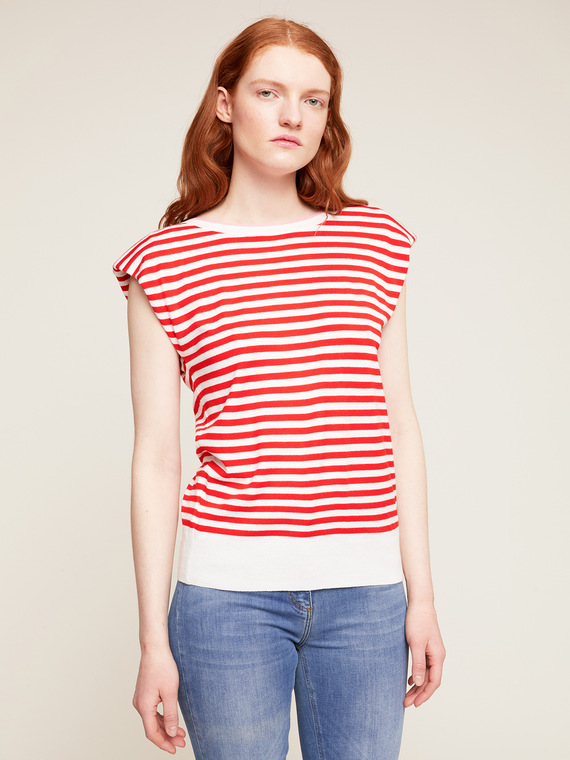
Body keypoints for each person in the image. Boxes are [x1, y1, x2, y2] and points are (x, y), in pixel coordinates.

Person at [112, 15, 445, 760]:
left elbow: (399, 424)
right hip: (225, 599)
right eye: (269, 92)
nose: (293, 115)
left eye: (314, 99)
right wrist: (152, 640)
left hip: (367, 595)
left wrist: (420, 595)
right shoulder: (163, 264)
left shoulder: (373, 243)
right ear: (226, 103)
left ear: (328, 116)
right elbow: (156, 457)